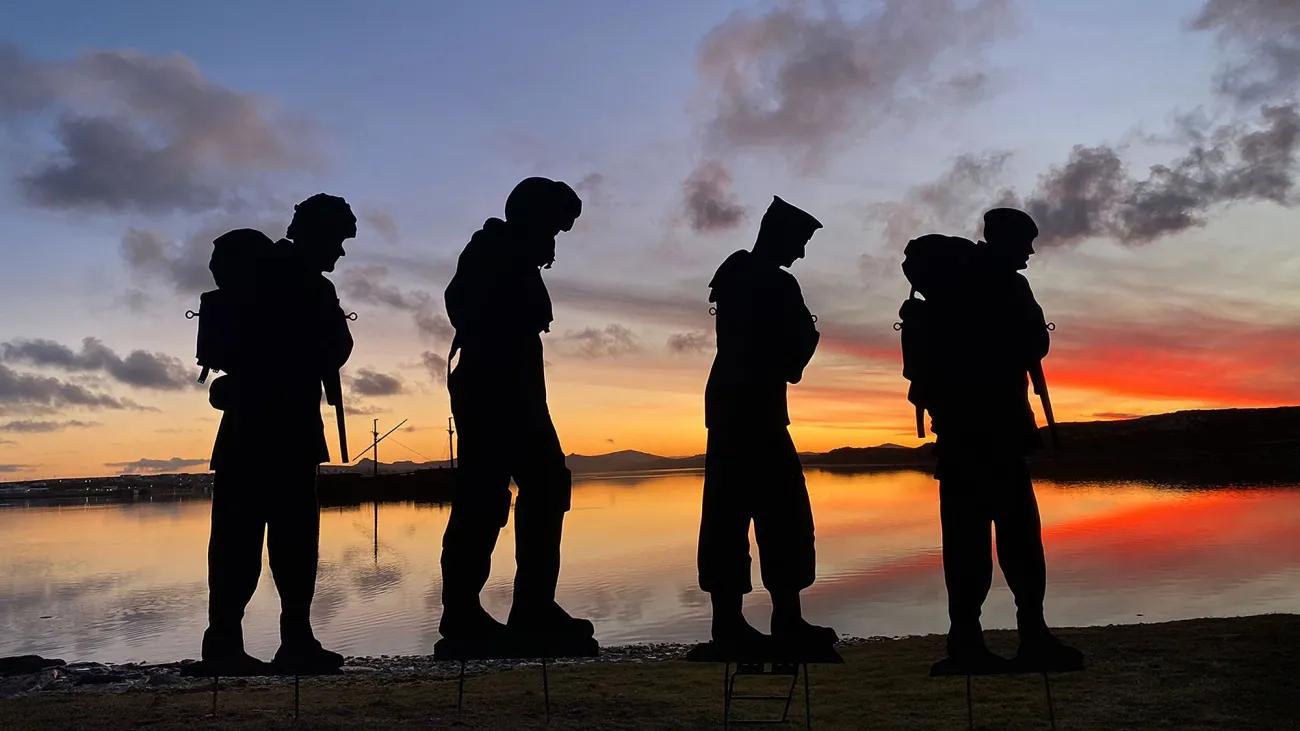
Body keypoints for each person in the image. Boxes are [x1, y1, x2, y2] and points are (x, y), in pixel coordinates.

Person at [198, 193, 357, 675]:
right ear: (317, 232)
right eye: (339, 240)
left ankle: (230, 643)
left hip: (251, 430)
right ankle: (289, 642)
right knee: (286, 545)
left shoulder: (268, 278)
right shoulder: (306, 285)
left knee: (240, 543)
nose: (341, 253)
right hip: (282, 431)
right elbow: (333, 348)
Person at [439, 177, 594, 650]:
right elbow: (468, 312)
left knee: (545, 486)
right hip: (493, 391)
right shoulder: (493, 252)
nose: (557, 239)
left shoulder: (516, 257)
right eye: (556, 226)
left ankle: (532, 607)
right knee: (483, 500)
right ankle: (462, 615)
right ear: (533, 216)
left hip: (519, 392)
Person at [926, 207, 1083, 671]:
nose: (1031, 251)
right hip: (996, 433)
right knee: (1020, 541)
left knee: (964, 542)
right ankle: (1030, 635)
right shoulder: (1008, 285)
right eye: (1026, 241)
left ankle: (967, 641)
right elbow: (1035, 343)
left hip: (957, 435)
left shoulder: (950, 282)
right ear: (1003, 239)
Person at [697, 196, 836, 650]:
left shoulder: (735, 276)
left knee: (739, 514)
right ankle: (765, 622)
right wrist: (806, 338)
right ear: (778, 235)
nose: (800, 253)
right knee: (778, 514)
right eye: (799, 242)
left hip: (736, 409)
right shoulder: (773, 283)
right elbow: (790, 353)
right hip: (753, 411)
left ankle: (752, 621)